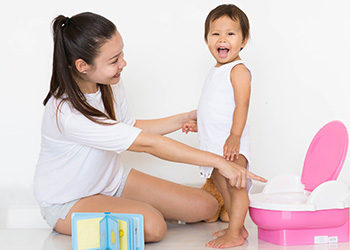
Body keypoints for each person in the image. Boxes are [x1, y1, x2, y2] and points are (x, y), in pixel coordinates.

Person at [33, 12, 266, 244]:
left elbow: (130, 127)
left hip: (111, 181)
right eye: (114, 60)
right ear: (83, 66)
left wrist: (187, 117)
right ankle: (128, 211)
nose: (123, 63)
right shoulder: (66, 113)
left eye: (121, 53)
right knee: (153, 226)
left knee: (207, 206)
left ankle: (126, 208)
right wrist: (218, 161)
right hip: (68, 201)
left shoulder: (107, 84)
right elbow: (146, 143)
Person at [183, 4, 255, 248]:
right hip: (214, 143)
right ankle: (238, 227)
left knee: (236, 186)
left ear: (244, 40)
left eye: (231, 34)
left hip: (230, 144)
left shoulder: (238, 70)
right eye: (216, 34)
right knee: (223, 185)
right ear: (206, 39)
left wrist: (235, 136)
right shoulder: (216, 71)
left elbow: (241, 104)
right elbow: (213, 107)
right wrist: (199, 126)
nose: (222, 39)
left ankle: (234, 232)